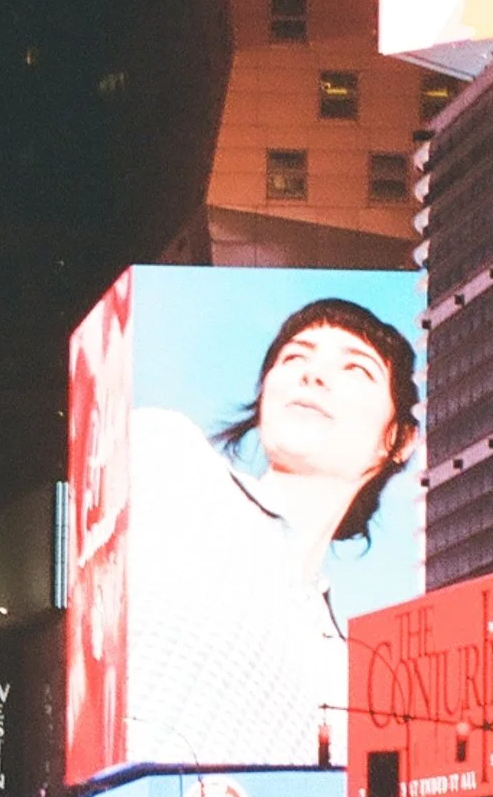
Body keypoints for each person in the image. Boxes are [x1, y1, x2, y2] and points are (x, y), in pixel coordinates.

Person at [125, 297, 419, 768]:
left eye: (355, 369)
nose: (314, 375)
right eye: (294, 358)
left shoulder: (345, 668)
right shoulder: (169, 459)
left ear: (399, 439)